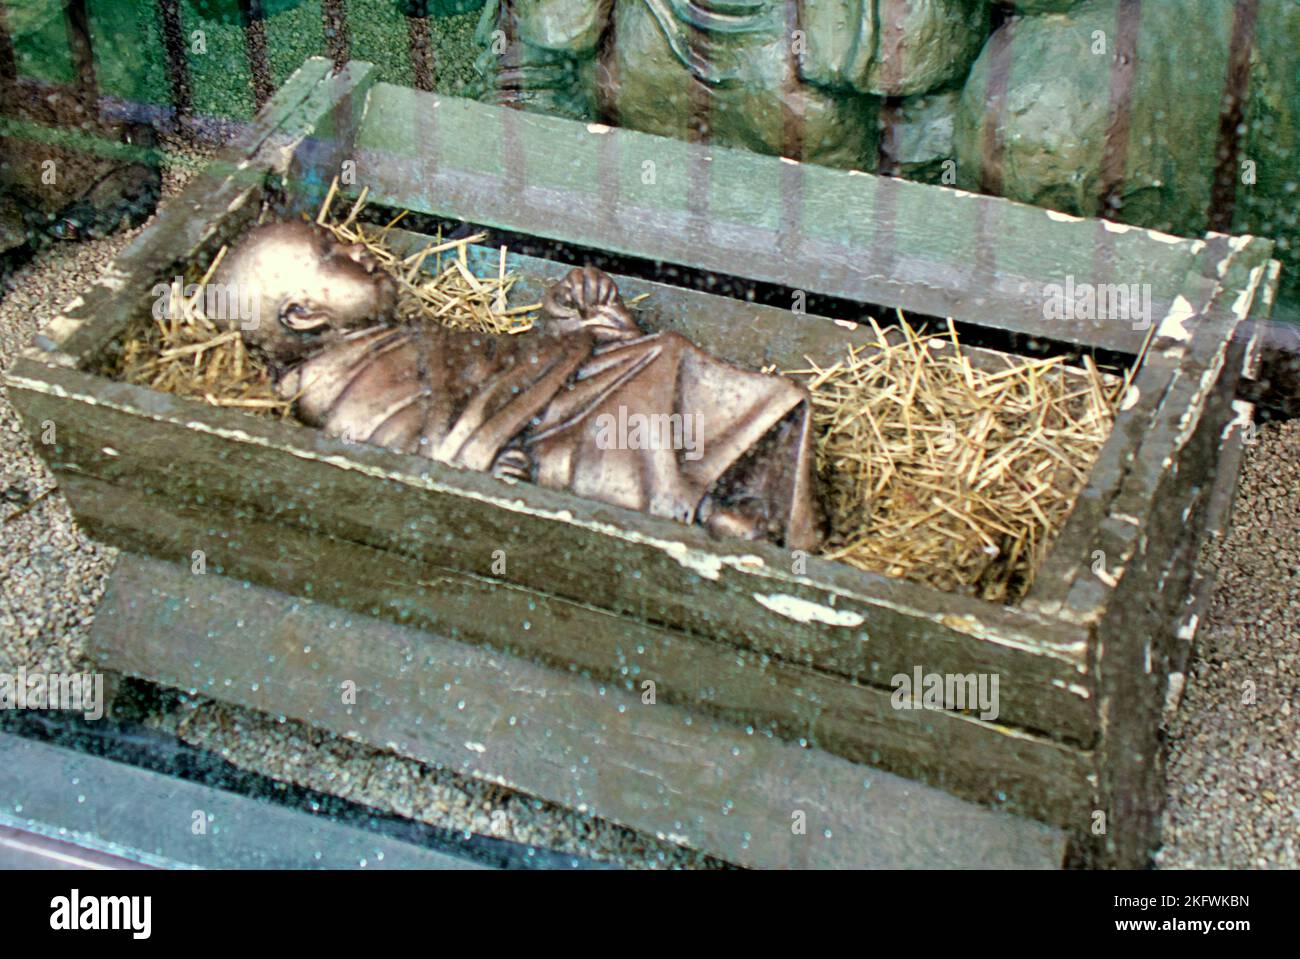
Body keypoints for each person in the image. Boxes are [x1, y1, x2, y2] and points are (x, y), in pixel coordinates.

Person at [211, 221, 820, 549]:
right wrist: (480, 465)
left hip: (540, 404)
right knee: (632, 405)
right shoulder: (340, 389)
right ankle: (707, 511)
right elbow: (412, 456)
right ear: (302, 315)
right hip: (529, 449)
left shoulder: (374, 340)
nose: (358, 249)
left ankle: (747, 490)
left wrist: (564, 325)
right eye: (331, 253)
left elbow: (491, 366)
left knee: (657, 358)